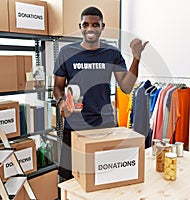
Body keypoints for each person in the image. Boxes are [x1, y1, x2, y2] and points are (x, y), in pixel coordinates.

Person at [53, 6, 148, 180]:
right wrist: (61, 103)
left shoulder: (111, 53)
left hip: (104, 126)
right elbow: (57, 87)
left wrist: (136, 58)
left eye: (95, 24)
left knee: (103, 177)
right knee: (70, 179)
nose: (90, 28)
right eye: (86, 24)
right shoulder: (66, 52)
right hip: (74, 127)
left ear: (102, 26)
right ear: (80, 26)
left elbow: (126, 87)